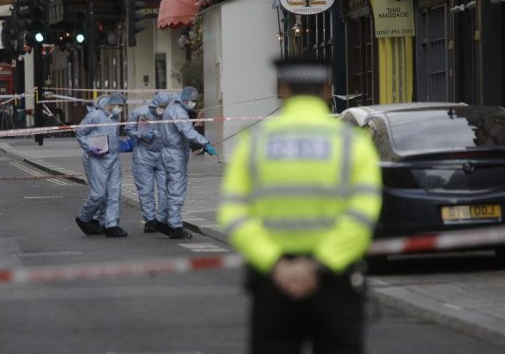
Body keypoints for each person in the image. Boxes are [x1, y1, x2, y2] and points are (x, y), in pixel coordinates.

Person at [217, 57, 383, 354]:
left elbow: (233, 212)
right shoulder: (351, 143)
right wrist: (320, 265)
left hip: (274, 282)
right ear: (326, 90)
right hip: (334, 280)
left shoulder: (255, 143)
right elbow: (363, 214)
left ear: (283, 88)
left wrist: (276, 264)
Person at [158, 86, 217, 239]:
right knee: (177, 188)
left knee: (170, 187)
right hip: (174, 153)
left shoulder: (172, 108)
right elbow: (188, 131)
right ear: (185, 99)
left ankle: (163, 220)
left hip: (172, 152)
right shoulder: (178, 111)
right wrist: (205, 143)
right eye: (192, 101)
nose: (193, 104)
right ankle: (175, 226)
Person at [74, 93, 128, 238]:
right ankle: (84, 218)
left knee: (114, 193)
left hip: (114, 159)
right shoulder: (95, 115)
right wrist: (91, 148)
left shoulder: (115, 117)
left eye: (122, 106)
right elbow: (80, 133)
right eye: (119, 105)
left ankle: (111, 225)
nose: (120, 109)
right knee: (98, 194)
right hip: (98, 159)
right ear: (110, 104)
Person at [125, 91, 172, 233]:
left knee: (167, 189)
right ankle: (150, 220)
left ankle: (162, 219)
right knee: (146, 190)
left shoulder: (171, 114)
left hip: (164, 154)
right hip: (143, 154)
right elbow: (129, 129)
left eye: (166, 106)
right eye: (162, 106)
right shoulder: (140, 112)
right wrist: (141, 134)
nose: (163, 108)